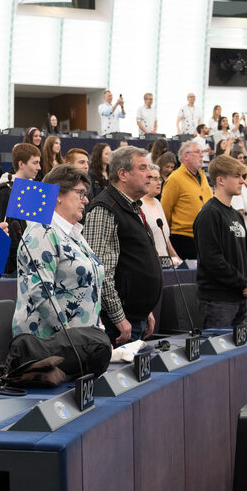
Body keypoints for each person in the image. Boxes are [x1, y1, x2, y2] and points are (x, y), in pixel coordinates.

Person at [13, 165, 105, 338]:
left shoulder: (73, 233)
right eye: (80, 193)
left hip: (81, 342)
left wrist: (97, 331)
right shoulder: (41, 231)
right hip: (50, 345)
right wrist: (68, 335)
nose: (86, 200)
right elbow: (41, 291)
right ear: (57, 195)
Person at [84, 146, 161, 343]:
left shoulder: (133, 206)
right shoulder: (105, 209)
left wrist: (145, 311)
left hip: (136, 317)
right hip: (119, 324)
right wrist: (119, 317)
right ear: (123, 174)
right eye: (143, 168)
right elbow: (100, 271)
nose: (150, 174)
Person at [193, 154, 247, 328]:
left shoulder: (235, 215)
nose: (243, 182)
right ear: (220, 180)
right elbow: (212, 260)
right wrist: (242, 282)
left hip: (240, 298)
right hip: (218, 301)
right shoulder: (209, 214)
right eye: (237, 176)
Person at [160, 141, 214, 260]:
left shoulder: (203, 176)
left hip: (205, 238)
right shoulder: (175, 178)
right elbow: (165, 211)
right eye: (197, 152)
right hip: (183, 239)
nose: (202, 155)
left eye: (201, 152)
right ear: (185, 156)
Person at [0, 143, 41, 276]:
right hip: (16, 263)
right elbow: (7, 232)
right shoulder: (6, 191)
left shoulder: (36, 190)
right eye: (35, 163)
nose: (39, 167)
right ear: (21, 164)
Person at [142, 164, 181, 263]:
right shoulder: (139, 204)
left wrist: (179, 260)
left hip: (165, 264)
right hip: (150, 264)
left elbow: (165, 238)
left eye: (160, 179)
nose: (159, 183)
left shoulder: (158, 203)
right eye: (155, 179)